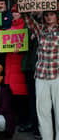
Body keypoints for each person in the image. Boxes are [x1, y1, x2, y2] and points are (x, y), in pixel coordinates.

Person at [25, 10, 59, 140]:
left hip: (57, 74)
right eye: (46, 15)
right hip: (41, 75)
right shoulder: (40, 30)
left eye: (52, 14)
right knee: (43, 111)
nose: (49, 17)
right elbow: (27, 18)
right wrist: (32, 10)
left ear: (56, 15)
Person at [4, 4, 28, 129]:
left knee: (22, 96)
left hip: (19, 65)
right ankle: (18, 120)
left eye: (17, 12)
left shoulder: (26, 27)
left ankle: (24, 120)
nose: (14, 14)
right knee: (13, 96)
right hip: (10, 65)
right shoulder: (8, 29)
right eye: (13, 12)